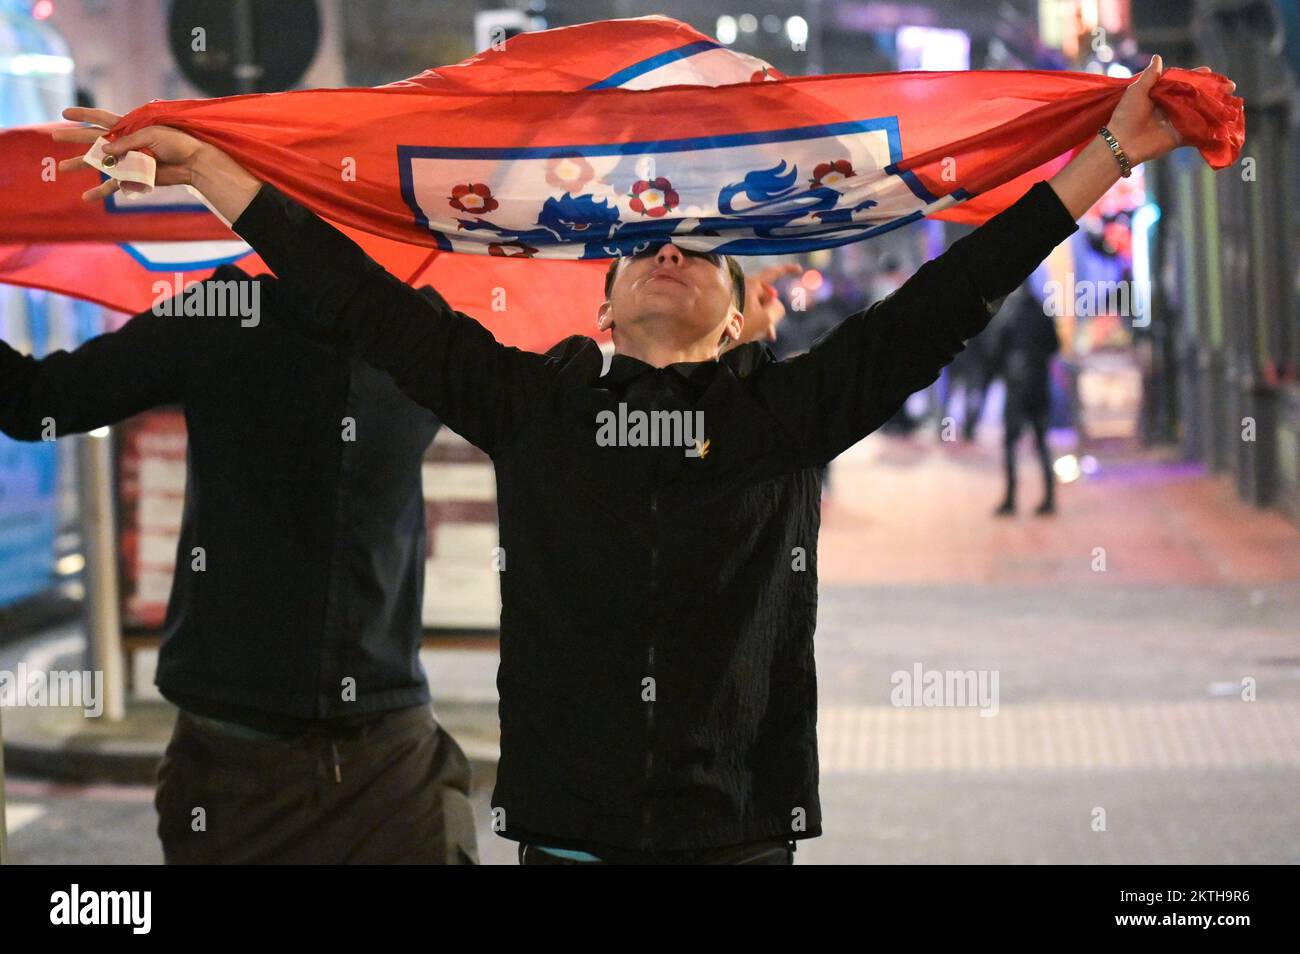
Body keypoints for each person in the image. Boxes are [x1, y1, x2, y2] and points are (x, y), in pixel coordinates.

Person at [56, 53, 1211, 864]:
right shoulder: (533, 405)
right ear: (600, 305)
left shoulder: (788, 419)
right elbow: (358, 300)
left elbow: (951, 297)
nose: (671, 251)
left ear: (740, 315)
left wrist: (1113, 148)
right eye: (647, 244)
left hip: (739, 838)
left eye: (706, 251)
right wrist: (218, 175)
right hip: (565, 839)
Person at [0, 267, 479, 865]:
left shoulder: (416, 327)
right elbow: (34, 403)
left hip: (367, 748)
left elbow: (34, 402)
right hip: (267, 761)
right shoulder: (409, 325)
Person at [990, 279, 1062, 516]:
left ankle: (1011, 499)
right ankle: (1049, 498)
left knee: (1011, 443)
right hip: (1038, 386)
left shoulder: (1009, 315)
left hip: (1017, 387)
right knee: (1041, 443)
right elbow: (1054, 345)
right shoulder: (1042, 313)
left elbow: (997, 351)